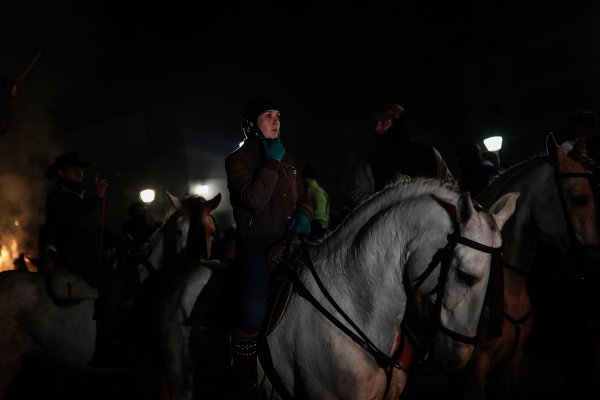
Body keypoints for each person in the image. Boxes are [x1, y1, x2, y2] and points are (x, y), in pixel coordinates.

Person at [225, 97, 313, 399]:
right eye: (268, 115)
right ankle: (246, 383)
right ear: (252, 123)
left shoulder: (288, 157)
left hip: (293, 240)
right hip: (257, 243)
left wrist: (305, 214)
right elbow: (252, 199)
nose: (276, 121)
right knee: (252, 309)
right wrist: (271, 162)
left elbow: (304, 196)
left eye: (278, 115)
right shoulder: (238, 160)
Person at [39, 152, 124, 368]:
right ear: (61, 173)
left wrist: (121, 238)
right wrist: (97, 197)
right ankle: (103, 349)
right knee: (108, 288)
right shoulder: (59, 197)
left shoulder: (77, 197)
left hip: (86, 254)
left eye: (81, 169)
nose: (80, 173)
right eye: (73, 169)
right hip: (74, 257)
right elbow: (76, 225)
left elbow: (93, 229)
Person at [349, 102, 455, 206]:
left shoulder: (430, 153)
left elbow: (450, 185)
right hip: (392, 222)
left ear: (398, 123)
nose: (376, 128)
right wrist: (389, 202)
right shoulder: (370, 161)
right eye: (376, 123)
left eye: (383, 123)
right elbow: (357, 195)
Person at [302, 164, 330, 240]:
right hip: (322, 229)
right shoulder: (321, 191)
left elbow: (318, 216)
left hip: (314, 231)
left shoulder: (308, 191)